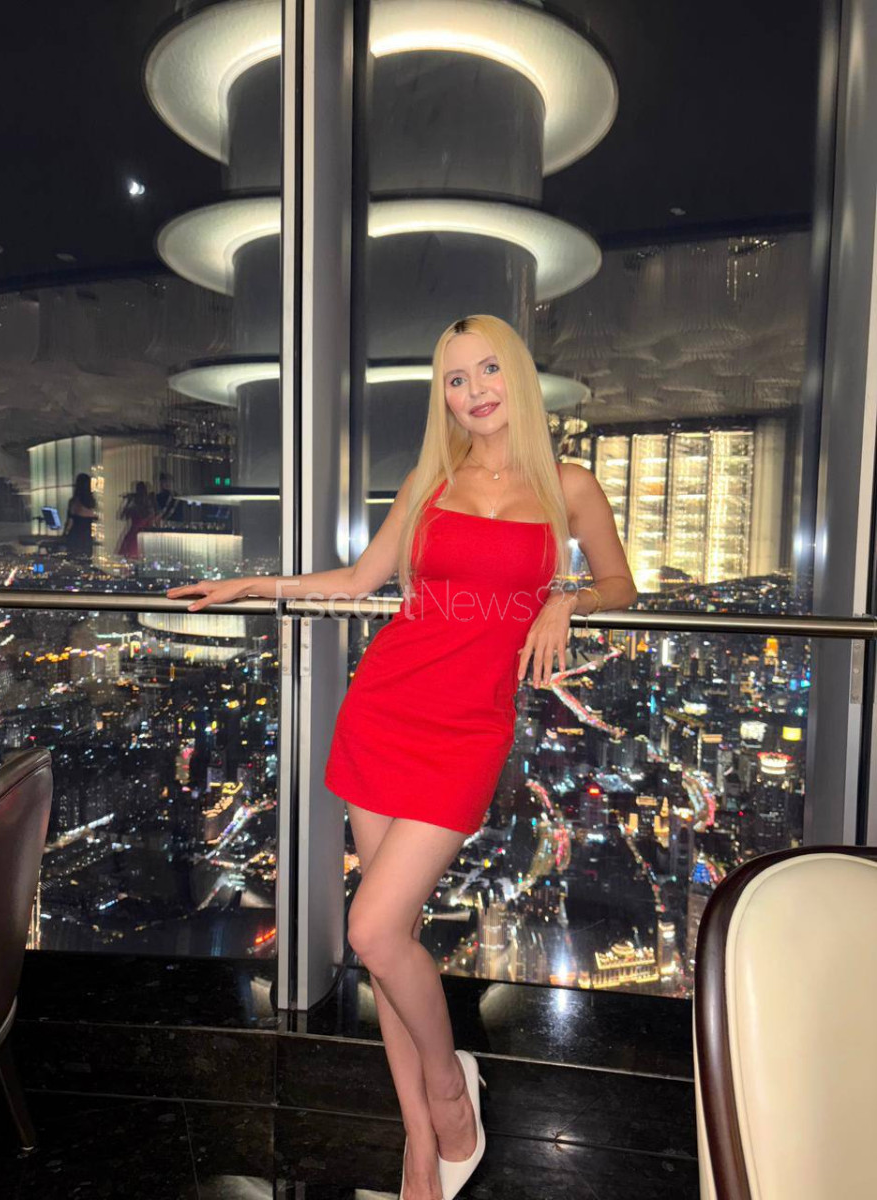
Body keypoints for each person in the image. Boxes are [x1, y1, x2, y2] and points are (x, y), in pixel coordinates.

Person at [167, 313, 638, 1200]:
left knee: (372, 931)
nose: (474, 392)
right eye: (456, 379)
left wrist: (566, 599)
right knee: (392, 945)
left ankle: (452, 1088)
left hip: (469, 730)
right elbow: (358, 580)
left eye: (487, 370)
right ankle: (421, 1134)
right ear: (442, 396)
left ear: (517, 375)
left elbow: (622, 582)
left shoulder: (568, 485)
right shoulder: (431, 479)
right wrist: (251, 583)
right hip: (383, 710)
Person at [116, 481, 156, 560]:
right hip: (143, 534)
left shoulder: (134, 506)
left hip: (134, 533)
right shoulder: (149, 506)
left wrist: (127, 502)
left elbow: (122, 516)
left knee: (130, 557)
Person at [61, 472, 97, 561]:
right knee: (86, 560)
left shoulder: (74, 502)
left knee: (73, 560)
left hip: (75, 536)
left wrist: (64, 534)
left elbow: (70, 521)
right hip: (87, 537)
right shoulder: (92, 502)